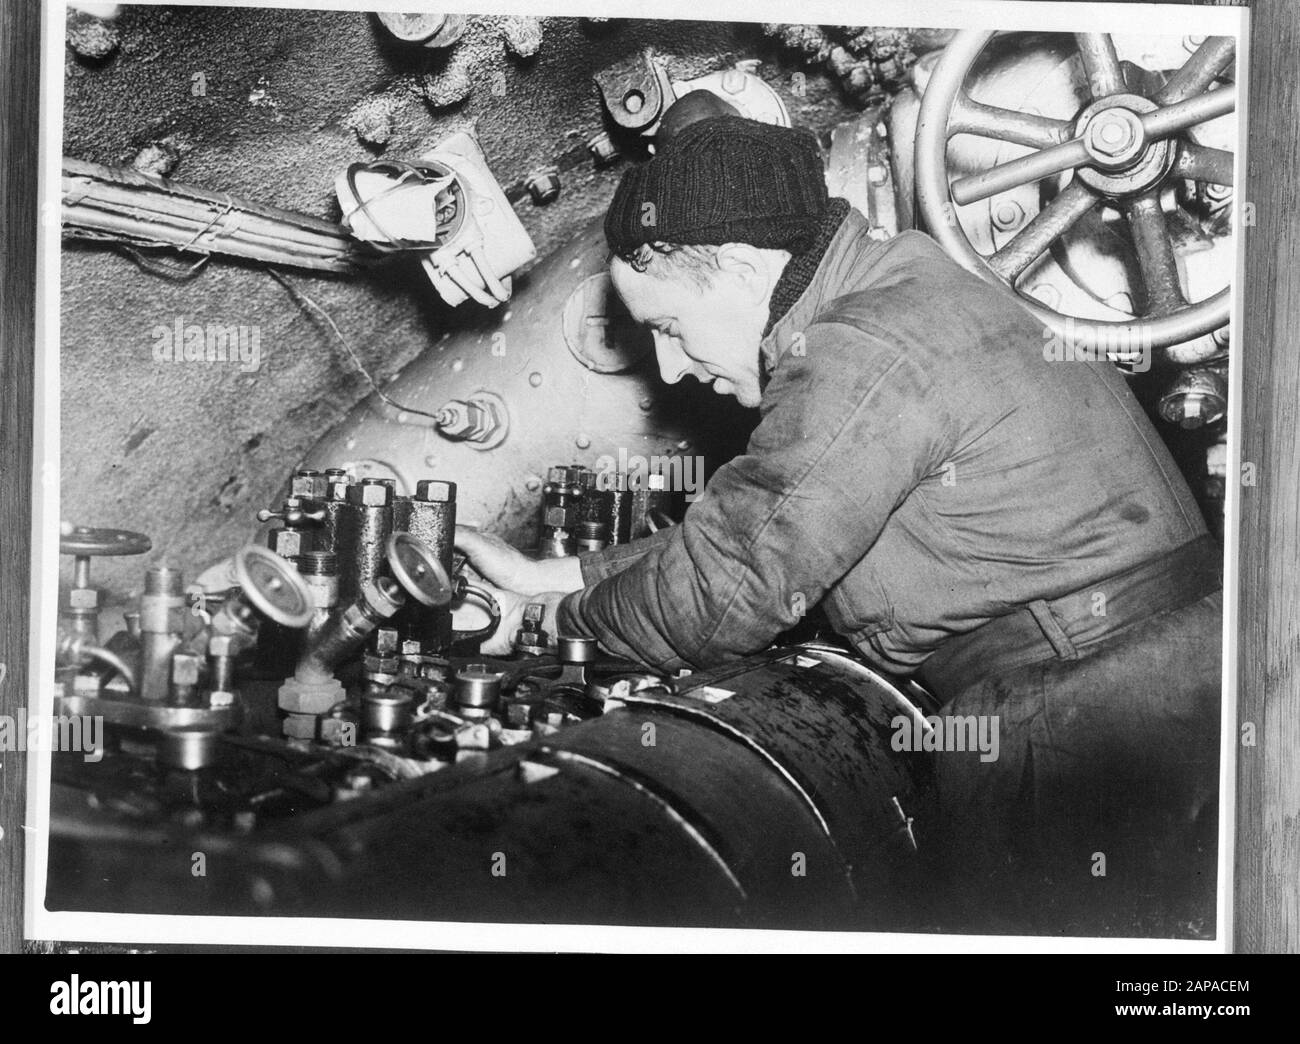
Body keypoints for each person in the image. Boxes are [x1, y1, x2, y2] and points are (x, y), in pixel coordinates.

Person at [455, 112, 1222, 935]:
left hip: (1081, 716)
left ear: (746, 268)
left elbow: (727, 592)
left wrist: (553, 621)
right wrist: (561, 575)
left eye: (669, 327)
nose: (672, 364)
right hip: (1150, 680)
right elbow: (749, 526)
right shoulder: (907, 285)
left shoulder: (857, 349)